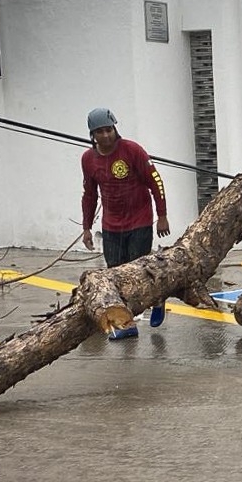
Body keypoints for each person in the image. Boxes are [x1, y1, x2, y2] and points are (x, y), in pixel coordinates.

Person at [81, 107, 170, 339]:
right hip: (111, 225)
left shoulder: (132, 150)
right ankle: (127, 325)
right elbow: (89, 195)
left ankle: (158, 298)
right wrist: (87, 227)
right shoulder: (88, 160)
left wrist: (162, 215)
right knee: (115, 276)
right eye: (100, 132)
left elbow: (155, 182)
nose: (106, 136)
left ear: (115, 129)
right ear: (93, 135)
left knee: (138, 272)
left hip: (139, 220)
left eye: (109, 130)